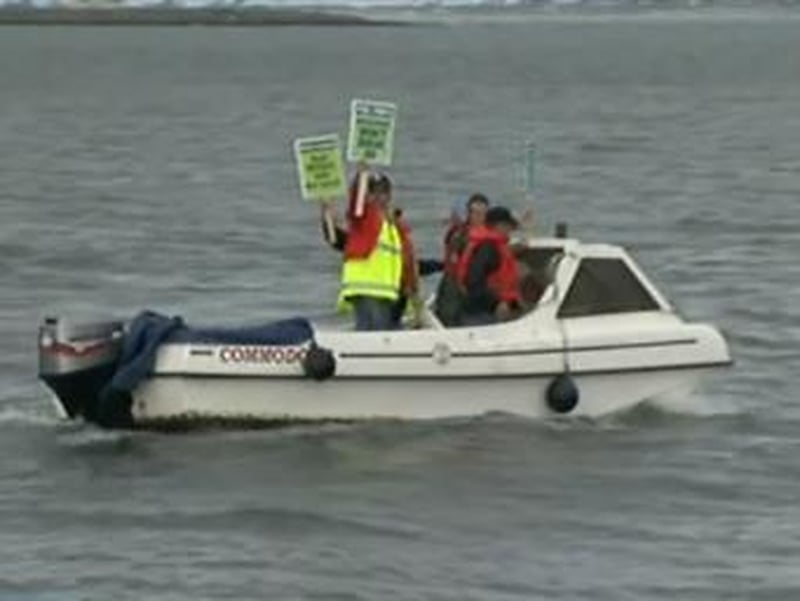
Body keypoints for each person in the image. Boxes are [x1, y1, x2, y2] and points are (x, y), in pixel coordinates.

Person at [323, 171, 419, 331]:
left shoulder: (394, 228)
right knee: (373, 335)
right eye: (374, 192)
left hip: (389, 296)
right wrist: (362, 174)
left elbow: (406, 261)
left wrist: (411, 289)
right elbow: (356, 204)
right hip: (367, 291)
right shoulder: (364, 220)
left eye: (383, 192)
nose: (379, 197)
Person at [455, 206, 522, 326]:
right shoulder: (488, 248)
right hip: (483, 314)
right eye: (508, 226)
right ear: (499, 225)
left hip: (479, 311)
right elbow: (474, 281)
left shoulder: (486, 244)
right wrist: (496, 303)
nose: (510, 230)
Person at [434, 193, 490, 326]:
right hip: (456, 284)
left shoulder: (489, 235)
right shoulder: (459, 236)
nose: (479, 217)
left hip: (478, 287)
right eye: (475, 213)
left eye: (482, 213)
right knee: (450, 314)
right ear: (469, 214)